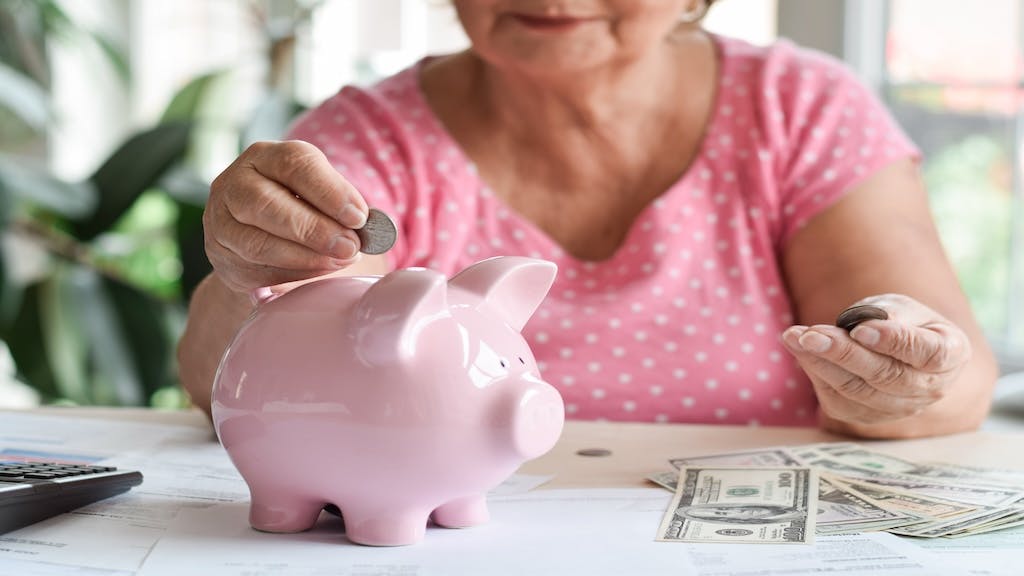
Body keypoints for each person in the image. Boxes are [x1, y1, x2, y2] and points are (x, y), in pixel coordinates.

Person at [177, 0, 998, 439]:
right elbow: (239, 378)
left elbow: (950, 386)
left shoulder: (803, 108)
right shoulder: (368, 136)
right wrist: (252, 271)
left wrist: (898, 378)